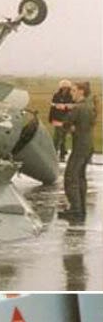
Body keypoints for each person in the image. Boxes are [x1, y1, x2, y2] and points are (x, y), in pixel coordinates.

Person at [59, 81, 96, 223]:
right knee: (80, 177)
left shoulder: (79, 108)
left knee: (71, 177)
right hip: (87, 145)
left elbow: (66, 122)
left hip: (80, 146)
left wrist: (69, 128)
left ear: (81, 91)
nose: (71, 93)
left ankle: (75, 210)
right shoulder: (90, 106)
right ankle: (80, 209)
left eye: (74, 90)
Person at [48, 79, 74, 161]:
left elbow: (72, 108)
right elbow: (52, 108)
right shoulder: (56, 95)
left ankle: (62, 154)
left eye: (66, 88)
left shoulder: (71, 96)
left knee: (63, 137)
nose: (65, 89)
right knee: (57, 137)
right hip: (57, 119)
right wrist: (51, 118)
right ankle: (54, 153)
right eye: (63, 87)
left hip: (66, 120)